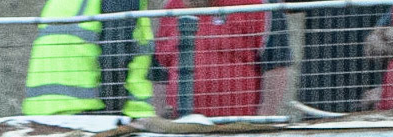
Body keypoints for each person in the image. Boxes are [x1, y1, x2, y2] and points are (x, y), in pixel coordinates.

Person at [151, 0, 293, 117]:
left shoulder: (261, 6)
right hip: (181, 128)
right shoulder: (170, 9)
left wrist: (264, 119)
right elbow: (160, 72)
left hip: (238, 129)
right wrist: (163, 119)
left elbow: (277, 67)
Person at [22, 0, 158, 119]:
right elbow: (115, 57)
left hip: (41, 112)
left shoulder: (58, 3)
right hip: (95, 116)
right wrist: (112, 113)